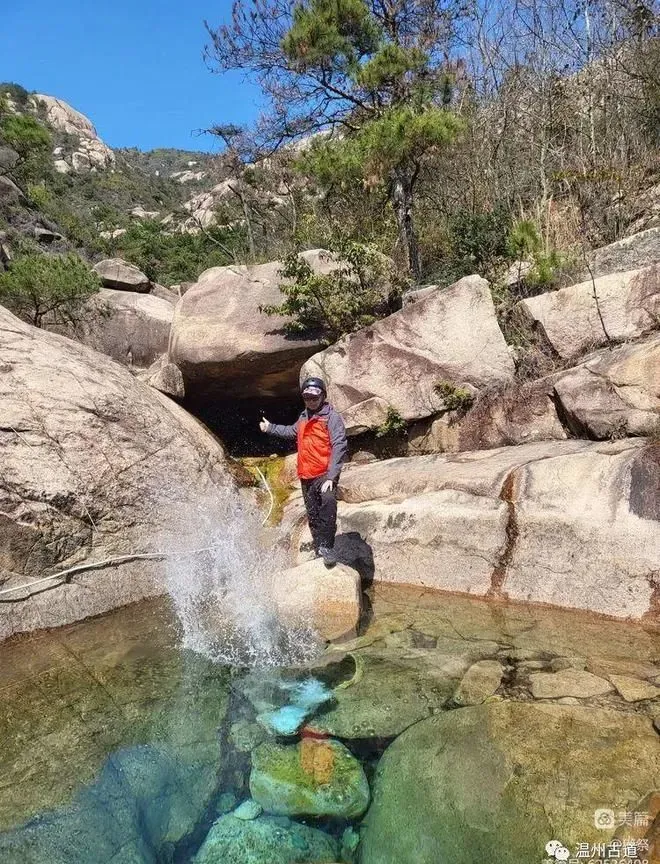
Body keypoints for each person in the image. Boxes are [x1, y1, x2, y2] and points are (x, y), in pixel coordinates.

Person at [259, 376, 348, 567]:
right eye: (307, 397)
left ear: (323, 396)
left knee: (328, 503)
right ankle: (319, 549)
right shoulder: (303, 416)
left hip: (324, 474)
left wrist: (332, 476)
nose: (311, 401)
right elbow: (292, 432)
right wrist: (270, 428)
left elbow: (339, 445)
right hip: (306, 475)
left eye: (315, 397)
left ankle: (327, 546)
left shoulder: (331, 418)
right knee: (313, 514)